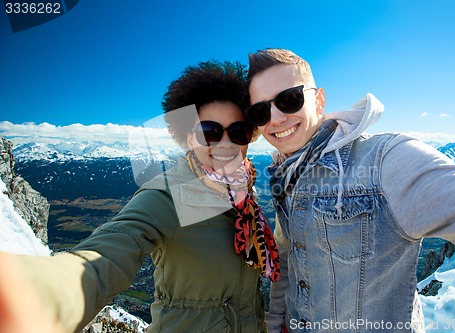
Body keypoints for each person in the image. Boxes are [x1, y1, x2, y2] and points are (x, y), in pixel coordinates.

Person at [0, 60, 280, 333]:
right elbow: (110, 250)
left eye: (238, 131)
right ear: (188, 138)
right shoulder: (166, 196)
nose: (225, 143)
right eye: (209, 132)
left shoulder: (242, 193)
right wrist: (41, 295)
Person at [245, 48, 455, 333]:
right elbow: (289, 262)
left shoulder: (384, 160)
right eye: (260, 111)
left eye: (289, 99)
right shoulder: (285, 176)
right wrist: (275, 321)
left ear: (318, 101)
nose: (276, 119)